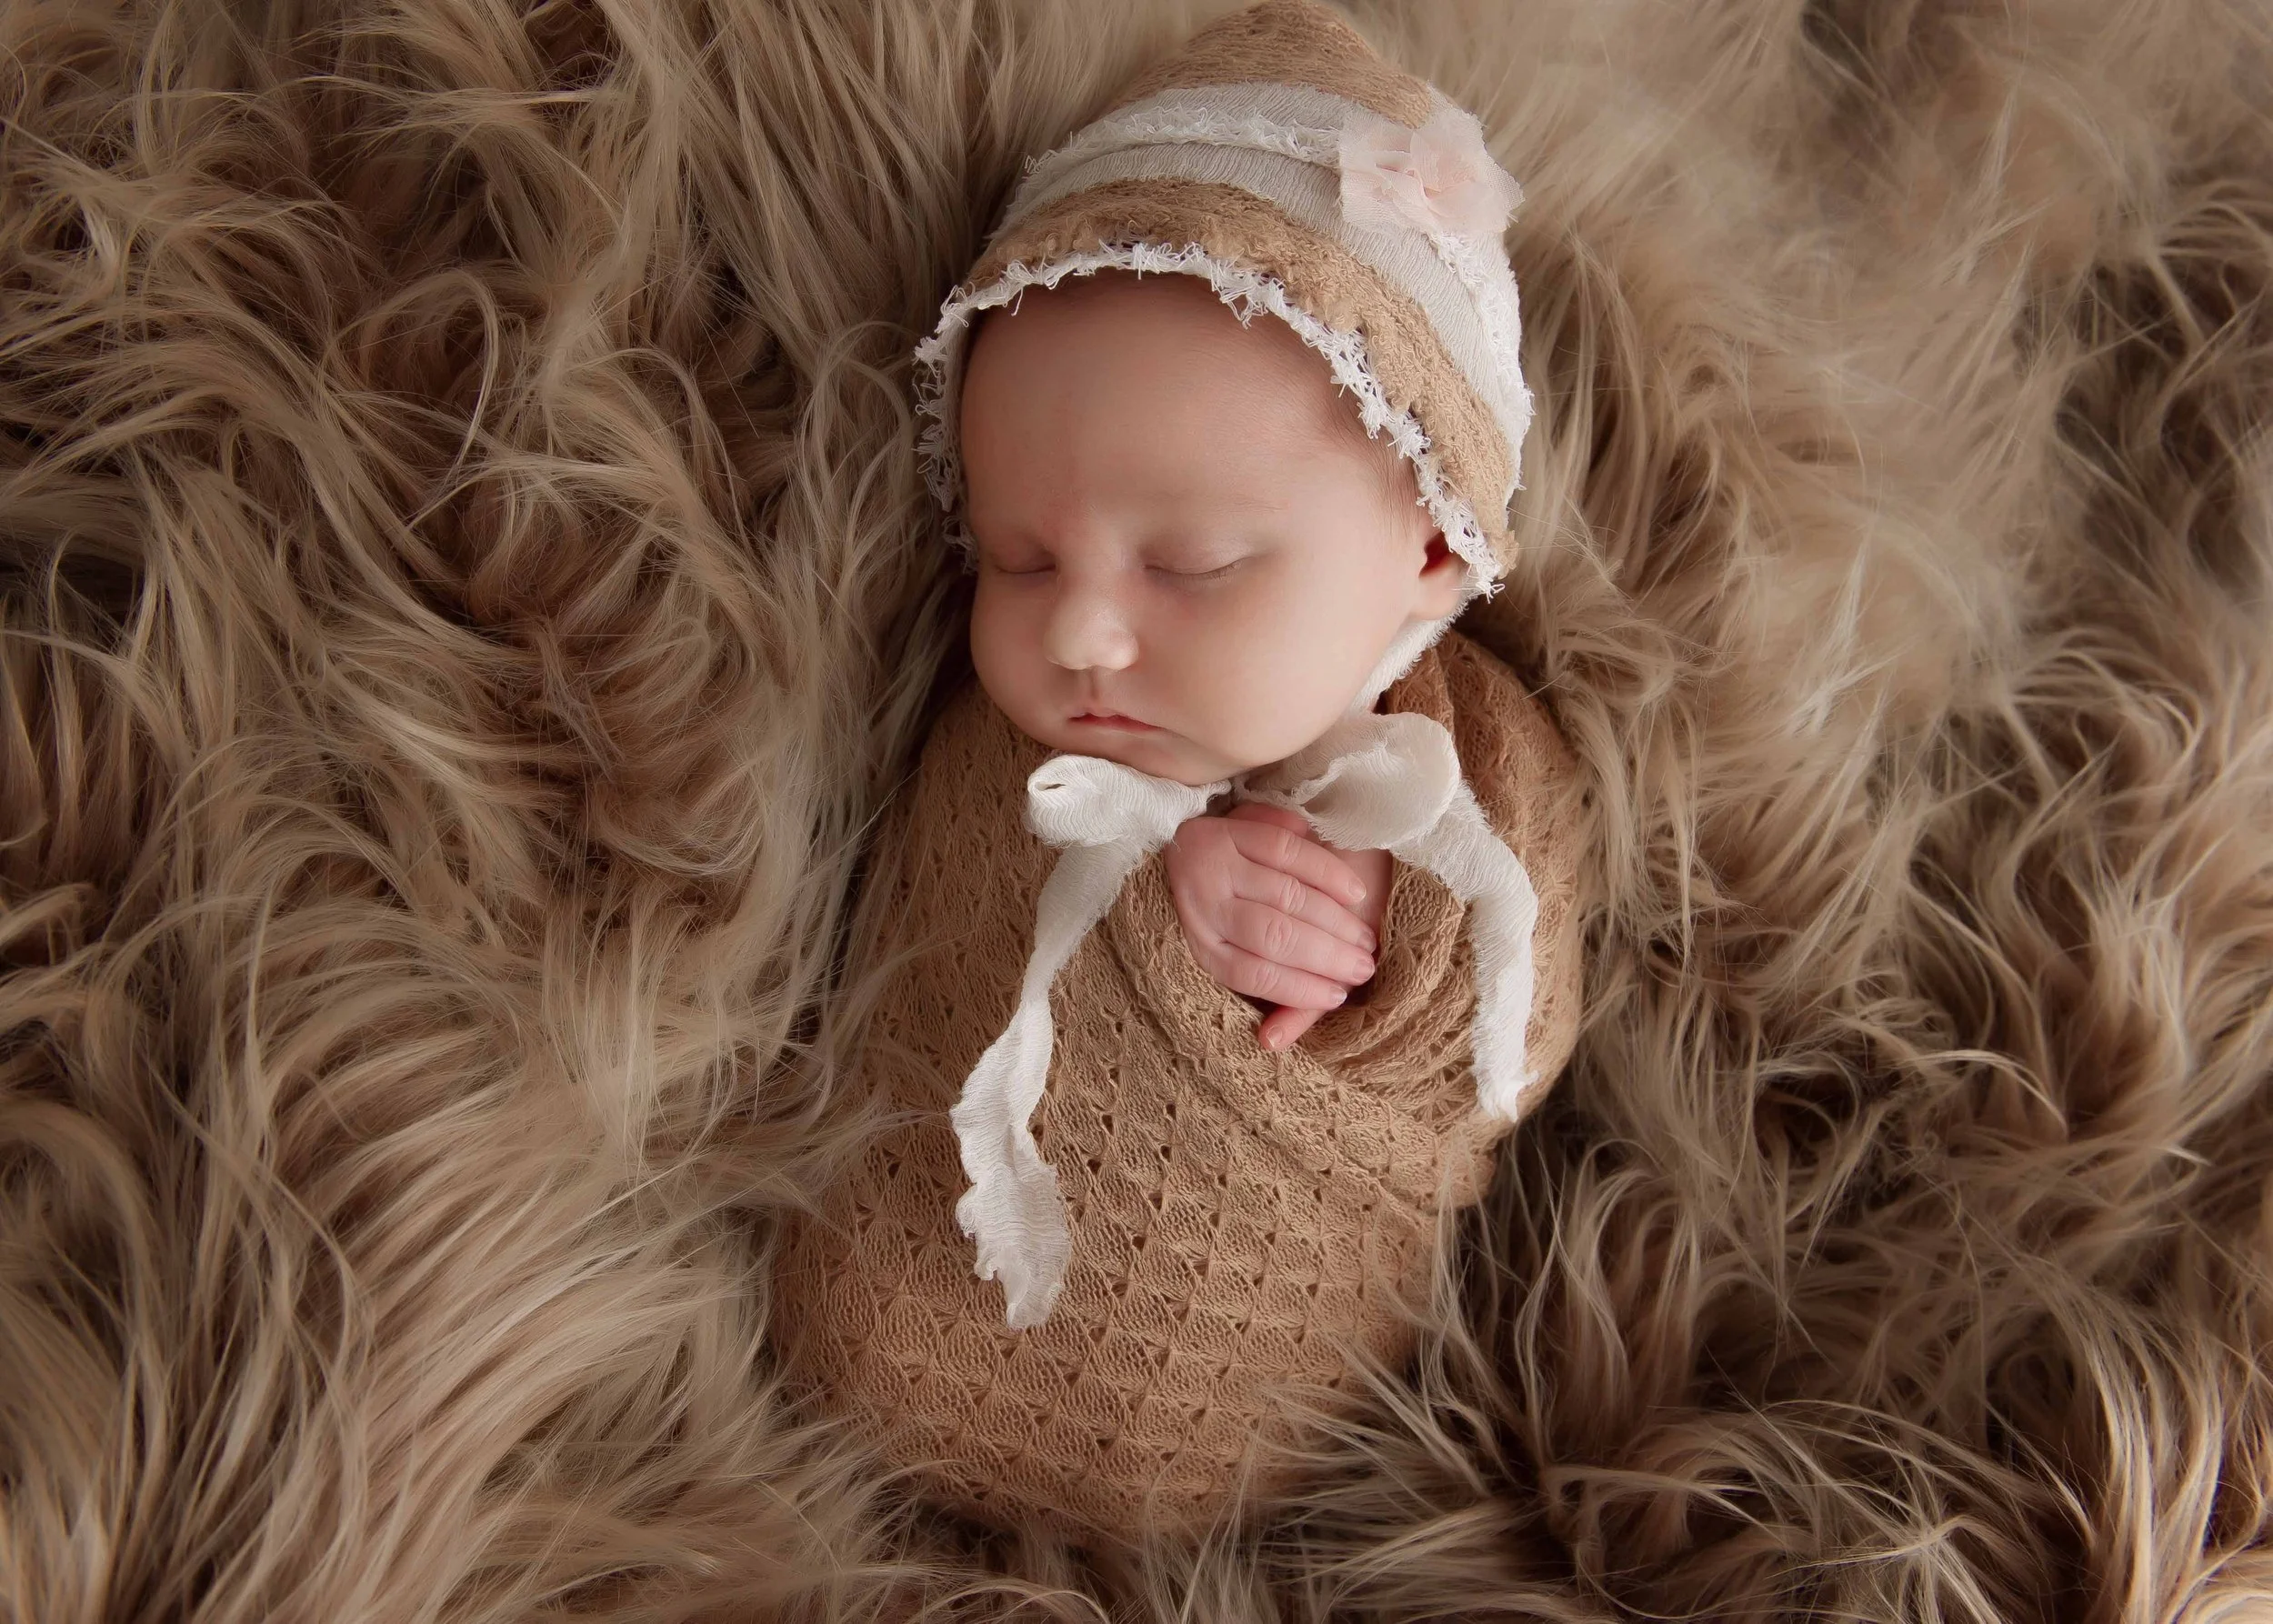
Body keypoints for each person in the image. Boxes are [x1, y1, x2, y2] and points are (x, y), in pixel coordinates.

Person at [771, 0, 1590, 1543]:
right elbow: (933, 915)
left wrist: (1388, 943)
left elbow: (1523, 992)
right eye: (1016, 556)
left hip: (1269, 1425)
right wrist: (1146, 895)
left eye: (1197, 564)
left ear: (1430, 544)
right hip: (880, 1339)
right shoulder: (1014, 740)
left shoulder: (1468, 753)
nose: (1077, 629)